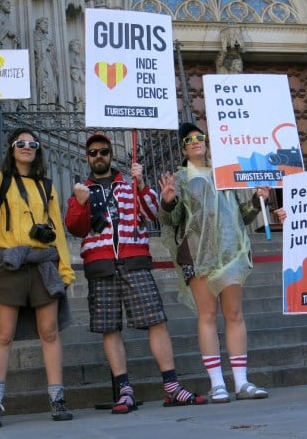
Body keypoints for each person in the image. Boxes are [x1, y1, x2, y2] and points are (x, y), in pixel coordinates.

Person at [65, 133, 207, 412]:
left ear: (110, 154)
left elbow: (153, 212)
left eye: (104, 151)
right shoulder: (82, 190)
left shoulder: (129, 184)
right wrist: (81, 203)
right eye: (93, 152)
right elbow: (75, 228)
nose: (99, 156)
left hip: (134, 259)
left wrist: (143, 185)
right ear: (87, 157)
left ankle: (172, 387)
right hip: (100, 263)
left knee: (157, 321)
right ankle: (124, 390)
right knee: (110, 328)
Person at [0, 114, 75, 429]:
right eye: (20, 143)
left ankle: (57, 399)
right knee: (3, 334)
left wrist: (65, 269)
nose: (27, 148)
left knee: (50, 332)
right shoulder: (0, 180)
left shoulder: (47, 187)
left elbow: (57, 230)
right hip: (10, 264)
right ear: (12, 150)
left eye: (32, 144)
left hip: (42, 263)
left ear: (38, 151)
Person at [158, 122, 275, 403]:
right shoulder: (180, 178)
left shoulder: (226, 173)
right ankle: (217, 383)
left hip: (230, 254)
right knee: (207, 316)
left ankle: (241, 382)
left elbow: (242, 215)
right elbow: (172, 221)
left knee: (234, 315)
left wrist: (259, 199)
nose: (197, 141)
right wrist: (168, 202)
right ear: (183, 148)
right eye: (190, 139)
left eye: (201, 137)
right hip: (197, 256)